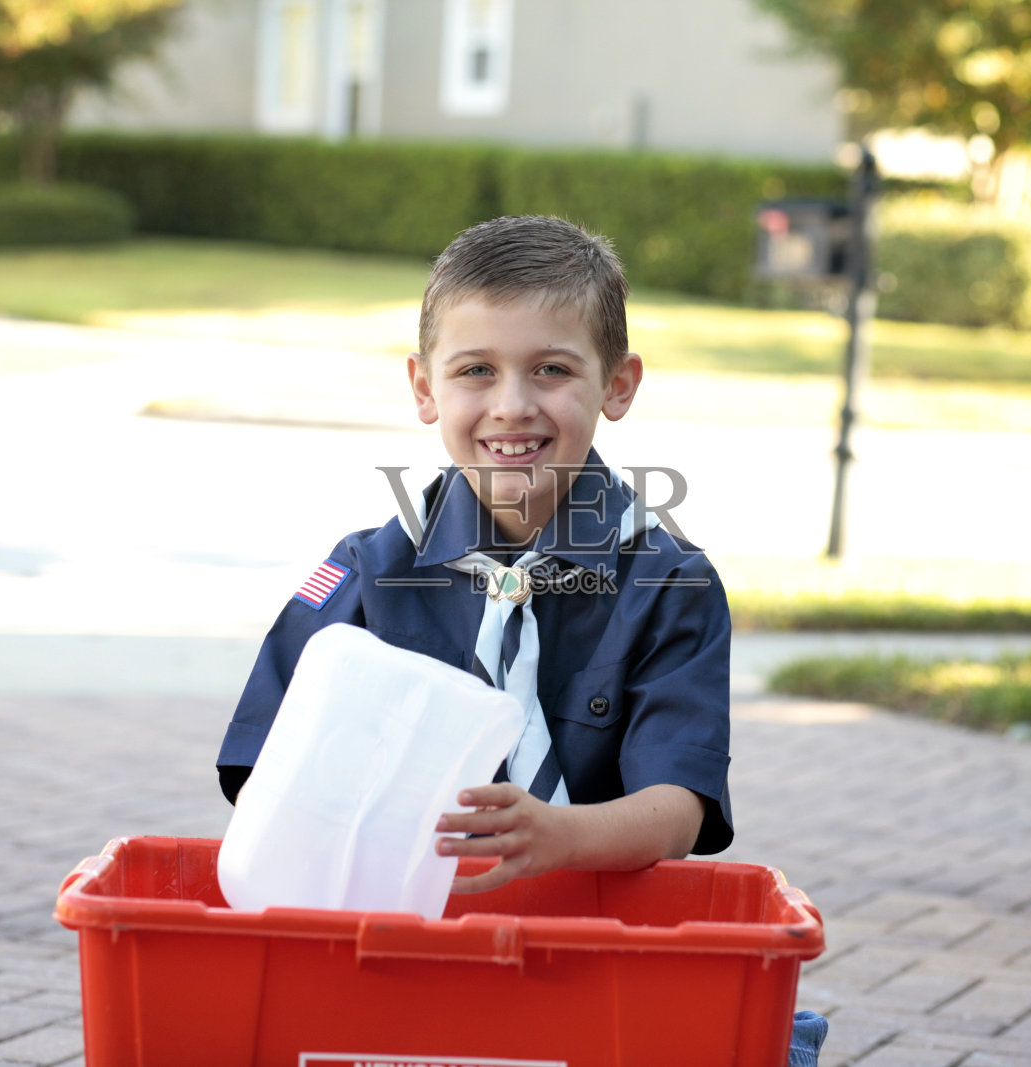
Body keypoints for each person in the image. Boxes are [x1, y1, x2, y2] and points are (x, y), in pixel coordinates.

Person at [215, 215, 826, 1066]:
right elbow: (265, 776)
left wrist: (556, 839)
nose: (512, 405)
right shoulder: (365, 567)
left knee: (767, 1043)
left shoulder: (670, 583)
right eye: (476, 370)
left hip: (600, 959)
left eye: (551, 369)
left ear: (617, 384)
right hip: (398, 957)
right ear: (424, 388)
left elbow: (678, 810)